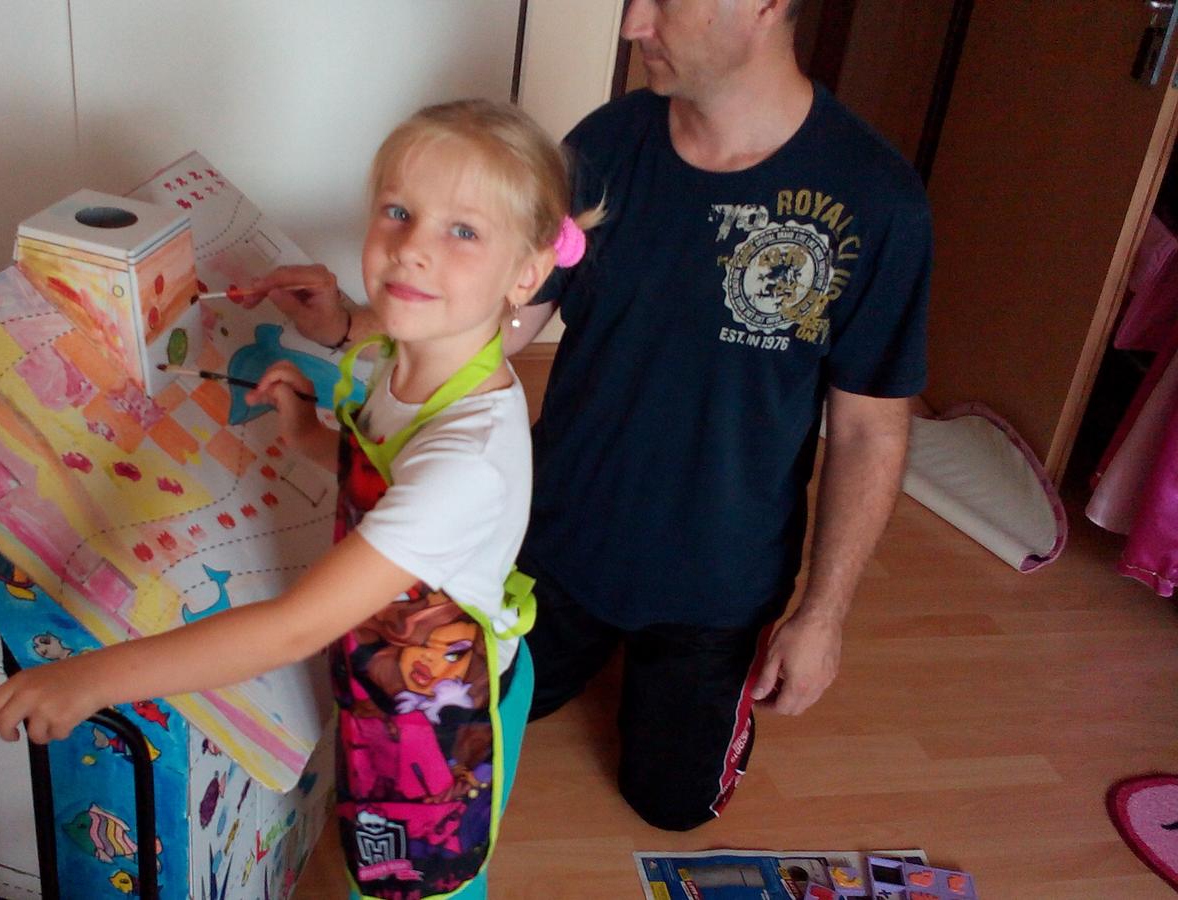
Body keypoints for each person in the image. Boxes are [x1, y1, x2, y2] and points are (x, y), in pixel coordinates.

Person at [248, 0, 931, 832]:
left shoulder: (876, 199)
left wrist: (823, 617)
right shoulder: (606, 144)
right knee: (486, 708)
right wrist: (351, 324)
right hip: (559, 541)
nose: (633, 23)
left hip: (716, 583)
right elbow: (497, 324)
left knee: (671, 807)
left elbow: (868, 429)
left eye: (662, 0)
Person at [0, 98, 602, 897]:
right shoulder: (416, 350)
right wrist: (313, 434)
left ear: (528, 274)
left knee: (414, 882)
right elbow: (385, 467)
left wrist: (89, 680)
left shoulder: (469, 462)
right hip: (395, 682)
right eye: (398, 212)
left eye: (463, 231)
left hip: (443, 731)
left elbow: (296, 627)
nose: (412, 249)